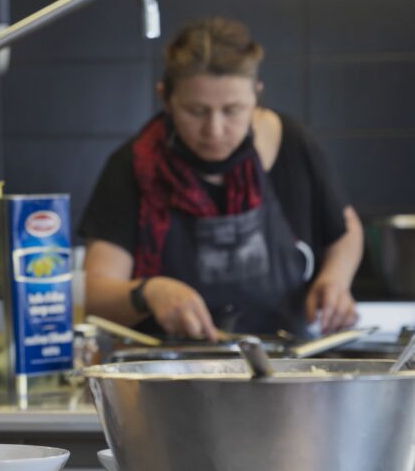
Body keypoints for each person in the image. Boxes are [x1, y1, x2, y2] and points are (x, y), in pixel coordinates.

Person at [80, 17, 361, 342]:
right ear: (165, 98)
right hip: (173, 373)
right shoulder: (133, 165)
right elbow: (93, 293)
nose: (214, 130)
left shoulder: (291, 143)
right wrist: (147, 292)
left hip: (287, 367)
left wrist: (335, 280)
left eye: (233, 110)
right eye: (196, 111)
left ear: (256, 95)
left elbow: (345, 229)